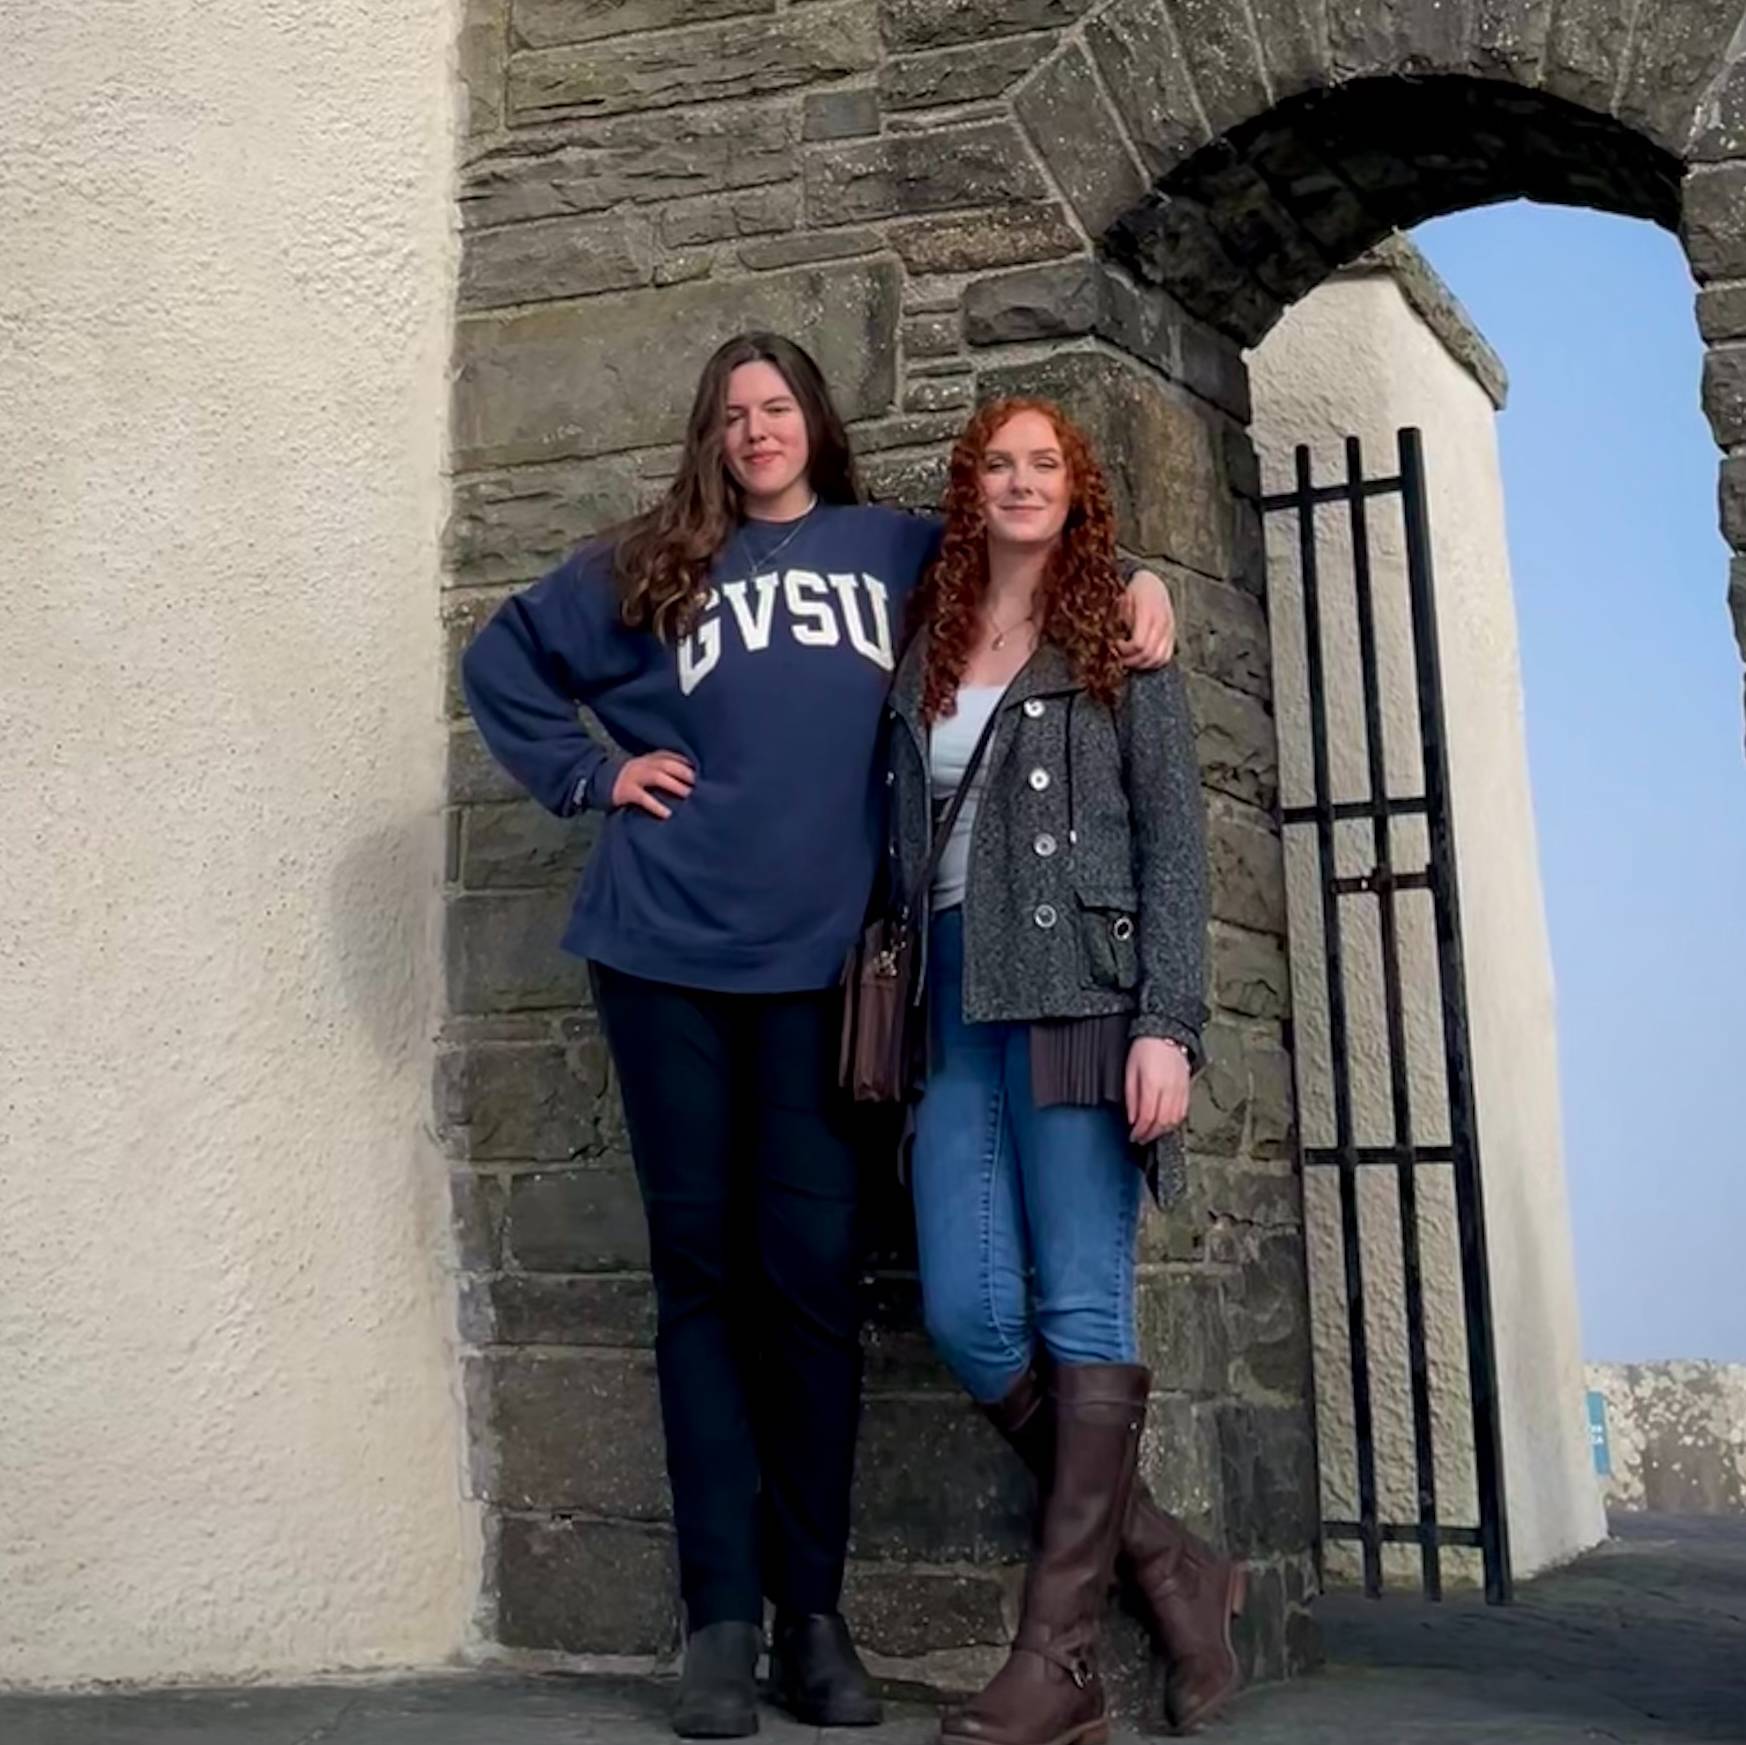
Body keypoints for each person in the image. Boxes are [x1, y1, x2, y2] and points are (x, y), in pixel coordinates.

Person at [460, 335, 1176, 1740]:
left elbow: (1025, 541)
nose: (754, 430)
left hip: (823, 977)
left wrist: (1141, 578)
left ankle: (814, 1617)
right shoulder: (657, 559)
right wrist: (595, 769)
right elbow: (505, 658)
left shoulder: (889, 547)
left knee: (806, 1284)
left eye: (774, 405)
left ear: (812, 421)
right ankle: (718, 1623)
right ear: (708, 436)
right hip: (659, 952)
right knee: (700, 1281)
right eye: (729, 413)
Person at [887, 398, 1245, 1745]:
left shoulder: (1120, 626)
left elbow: (1175, 841)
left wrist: (1171, 1019)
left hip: (1083, 1002)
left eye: (1044, 463)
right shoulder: (925, 639)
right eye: (999, 463)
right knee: (969, 1314)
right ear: (968, 487)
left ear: (1076, 487)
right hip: (952, 1004)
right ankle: (1167, 1556)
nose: (1020, 480)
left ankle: (1061, 1663)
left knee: (1082, 1312)